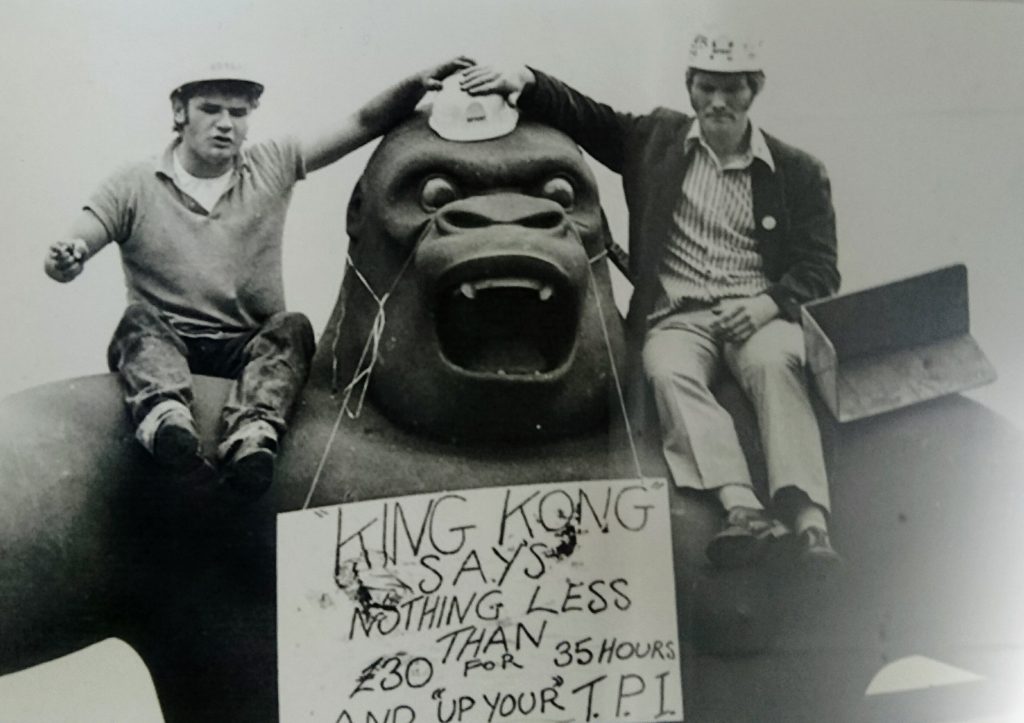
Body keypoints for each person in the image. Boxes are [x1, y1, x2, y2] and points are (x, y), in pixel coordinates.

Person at [460, 32, 841, 568]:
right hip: (677, 317)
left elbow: (821, 268)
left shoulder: (797, 171)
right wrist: (526, 81)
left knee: (777, 362)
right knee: (666, 370)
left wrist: (767, 304)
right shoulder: (656, 141)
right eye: (706, 87)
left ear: (755, 91)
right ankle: (741, 507)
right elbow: (587, 117)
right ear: (690, 88)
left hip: (757, 312)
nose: (718, 102)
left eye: (733, 91)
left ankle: (808, 521)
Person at [45, 57, 472, 496]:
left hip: (246, 346)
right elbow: (74, 246)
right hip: (168, 342)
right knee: (137, 322)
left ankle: (253, 430)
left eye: (238, 112)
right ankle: (165, 416)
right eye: (210, 109)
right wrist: (68, 256)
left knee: (293, 328)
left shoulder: (272, 164)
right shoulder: (133, 184)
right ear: (180, 112)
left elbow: (361, 122)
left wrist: (416, 84)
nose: (225, 124)